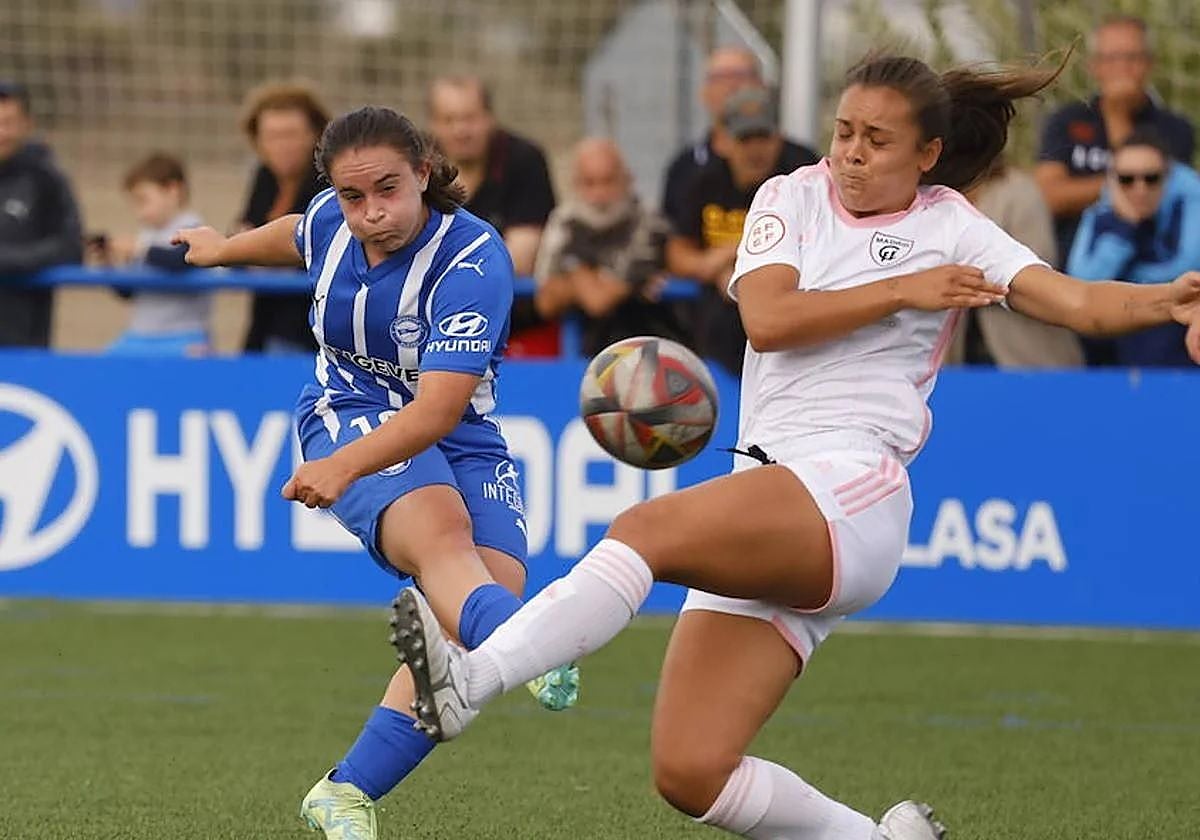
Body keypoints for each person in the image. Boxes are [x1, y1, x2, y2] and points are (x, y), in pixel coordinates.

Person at [392, 53, 1200, 840]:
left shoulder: (952, 225)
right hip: (770, 489)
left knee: (643, 533)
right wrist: (903, 288)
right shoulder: (791, 196)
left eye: (876, 140)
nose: (850, 151)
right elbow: (770, 318)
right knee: (691, 771)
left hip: (852, 488)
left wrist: (1170, 299)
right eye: (843, 130)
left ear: (928, 154)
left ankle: (475, 678)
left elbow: (1077, 301)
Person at [172, 106, 578, 840]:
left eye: (388, 189)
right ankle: (530, 643)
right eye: (353, 197)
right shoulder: (335, 217)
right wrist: (222, 249)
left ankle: (344, 791)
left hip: (453, 428)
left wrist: (340, 470)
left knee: (466, 620)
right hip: (344, 408)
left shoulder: (473, 260)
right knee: (445, 541)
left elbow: (436, 414)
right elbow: (299, 231)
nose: (369, 214)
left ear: (424, 172)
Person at [668, 86, 818, 375]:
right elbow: (677, 253)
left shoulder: (802, 178)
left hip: (788, 306)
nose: (755, 149)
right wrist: (708, 268)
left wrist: (734, 260)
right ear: (723, 141)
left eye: (763, 137)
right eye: (745, 138)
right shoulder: (703, 181)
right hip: (720, 315)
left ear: (779, 137)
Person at [1035, 16, 1194, 267]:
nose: (1122, 68)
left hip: (1151, 268)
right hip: (1076, 268)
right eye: (1111, 59)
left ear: (1149, 64)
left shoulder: (1175, 128)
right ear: (1094, 66)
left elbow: (1161, 200)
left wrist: (1117, 117)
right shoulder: (1066, 121)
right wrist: (1133, 183)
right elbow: (1050, 197)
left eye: (1132, 58)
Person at [427, 75, 559, 355]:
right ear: (434, 125)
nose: (461, 130)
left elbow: (516, 262)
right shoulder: (416, 164)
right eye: (449, 120)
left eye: (470, 118)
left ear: (489, 118)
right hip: (433, 323)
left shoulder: (525, 160)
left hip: (516, 325)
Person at [534, 138, 682, 356]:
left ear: (627, 180)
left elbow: (599, 302)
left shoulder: (649, 222)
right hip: (585, 352)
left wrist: (572, 272)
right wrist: (597, 279)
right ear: (575, 185)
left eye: (608, 181)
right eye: (589, 183)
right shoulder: (564, 221)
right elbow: (545, 302)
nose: (599, 194)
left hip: (650, 347)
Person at [1067, 129, 1200, 367]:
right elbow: (1081, 283)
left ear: (1167, 177)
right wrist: (1127, 225)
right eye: (1127, 179)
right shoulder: (1100, 216)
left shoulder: (1189, 206)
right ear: (1113, 181)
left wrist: (1131, 283)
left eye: (1151, 178)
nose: (1140, 188)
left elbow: (1187, 269)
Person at [948, 157, 1084, 367]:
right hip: (957, 357)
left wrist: (959, 282)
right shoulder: (931, 196)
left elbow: (1038, 267)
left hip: (1024, 353)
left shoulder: (1020, 191)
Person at [237, 82, 330, 354]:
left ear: (315, 135)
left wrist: (262, 253)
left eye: (290, 134)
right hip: (264, 322)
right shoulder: (265, 176)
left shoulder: (331, 183)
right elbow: (245, 229)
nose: (282, 145)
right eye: (272, 136)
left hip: (310, 330)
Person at [98, 153, 210, 356]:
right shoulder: (146, 236)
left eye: (143, 200)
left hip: (183, 337)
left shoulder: (195, 228)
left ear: (173, 190)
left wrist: (140, 248)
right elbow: (128, 292)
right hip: (139, 336)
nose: (138, 211)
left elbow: (179, 261)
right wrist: (109, 262)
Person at [0, 81, 83, 347]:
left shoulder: (46, 180)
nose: (1, 132)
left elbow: (71, 246)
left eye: (8, 122)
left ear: (27, 123)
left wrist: (9, 261)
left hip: (23, 345)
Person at [661, 46, 763, 225]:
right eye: (720, 78)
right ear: (704, 93)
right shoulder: (685, 170)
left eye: (741, 75)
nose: (732, 87)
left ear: (761, 86)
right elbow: (678, 246)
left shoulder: (798, 165)